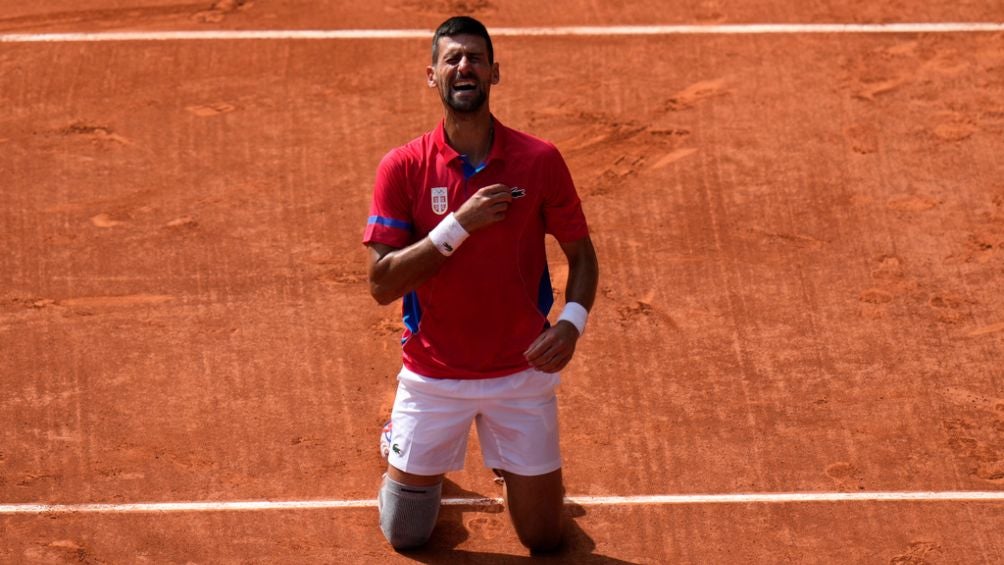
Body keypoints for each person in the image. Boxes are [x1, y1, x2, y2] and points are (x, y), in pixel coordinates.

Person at [363, 15, 599, 553]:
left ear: (495, 73)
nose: (464, 66)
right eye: (452, 59)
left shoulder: (539, 161)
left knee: (544, 539)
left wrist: (571, 324)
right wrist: (458, 225)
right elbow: (381, 284)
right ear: (433, 76)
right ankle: (397, 442)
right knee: (406, 533)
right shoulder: (402, 167)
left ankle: (511, 467)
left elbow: (582, 256)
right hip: (432, 376)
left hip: (521, 372)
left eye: (475, 58)